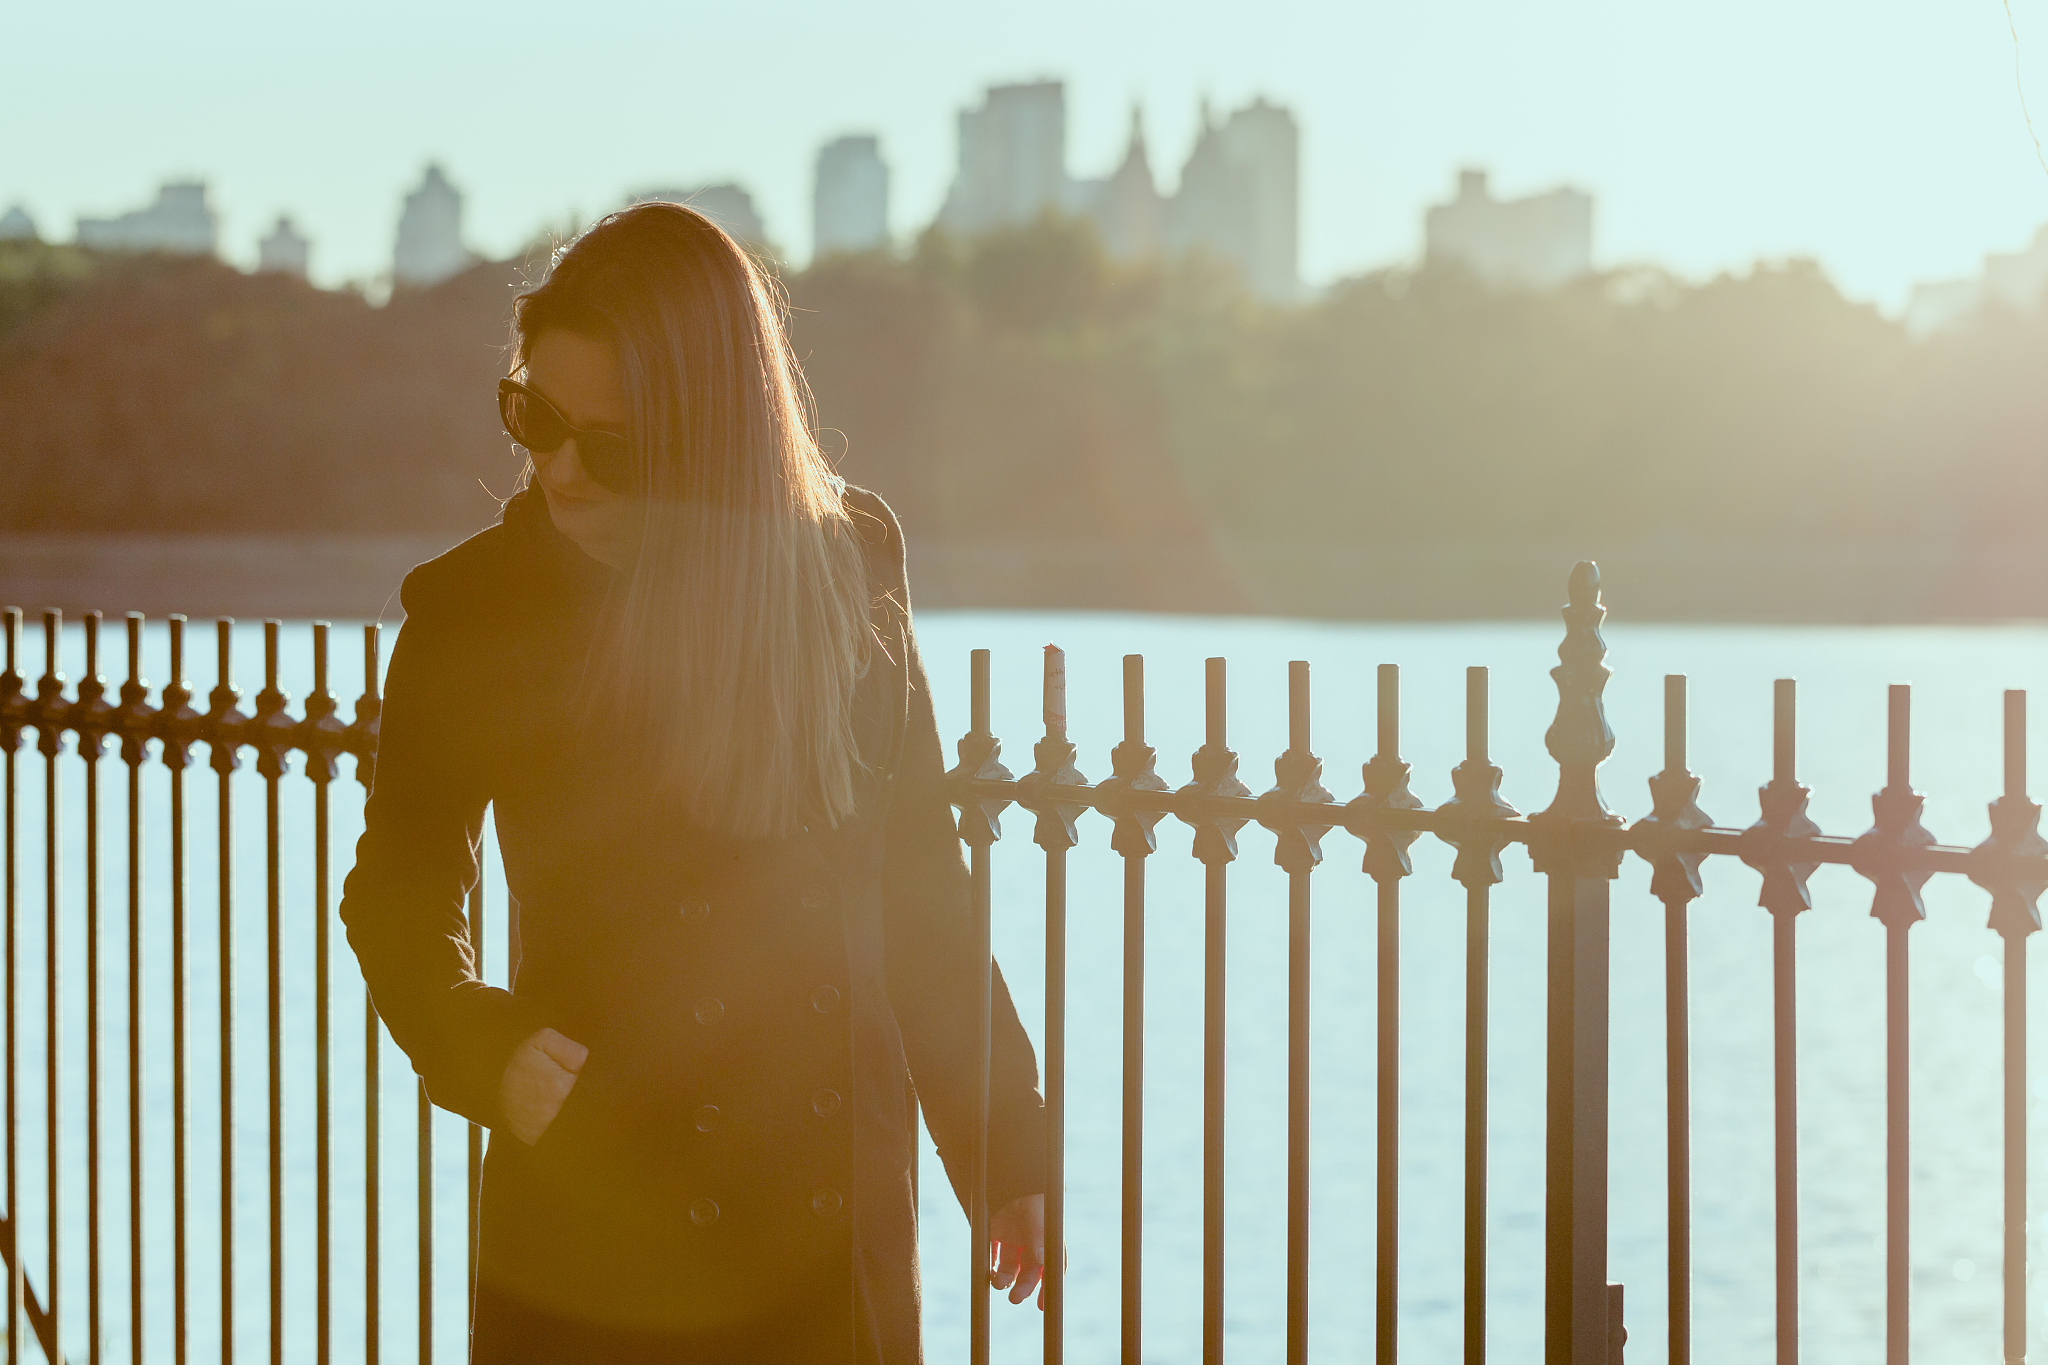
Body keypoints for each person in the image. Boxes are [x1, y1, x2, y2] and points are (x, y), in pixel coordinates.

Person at [339, 201, 1049, 1363]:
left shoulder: (844, 560)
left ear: (712, 435)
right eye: (534, 418)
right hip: (600, 1220)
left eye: (610, 447)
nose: (558, 470)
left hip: (829, 1228)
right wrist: (482, 1048)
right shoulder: (476, 610)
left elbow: (920, 879)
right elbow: (399, 897)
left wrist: (1003, 1147)